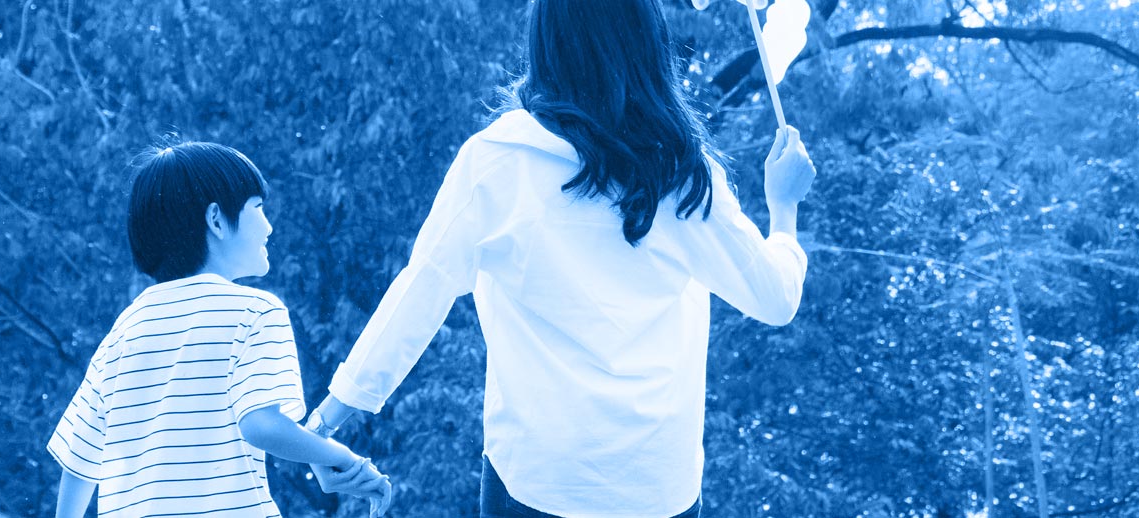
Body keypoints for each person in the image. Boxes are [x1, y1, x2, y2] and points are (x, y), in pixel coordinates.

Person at [301, 0, 819, 516]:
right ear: (647, 43)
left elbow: (420, 291)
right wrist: (784, 208)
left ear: (546, 42)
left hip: (536, 482)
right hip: (657, 490)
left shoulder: (495, 160)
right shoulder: (682, 171)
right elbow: (777, 299)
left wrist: (324, 425)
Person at [47, 142, 390, 518]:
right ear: (216, 220)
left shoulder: (123, 331)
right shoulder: (255, 312)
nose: (269, 226)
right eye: (258, 208)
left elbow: (79, 464)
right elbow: (261, 424)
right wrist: (342, 456)